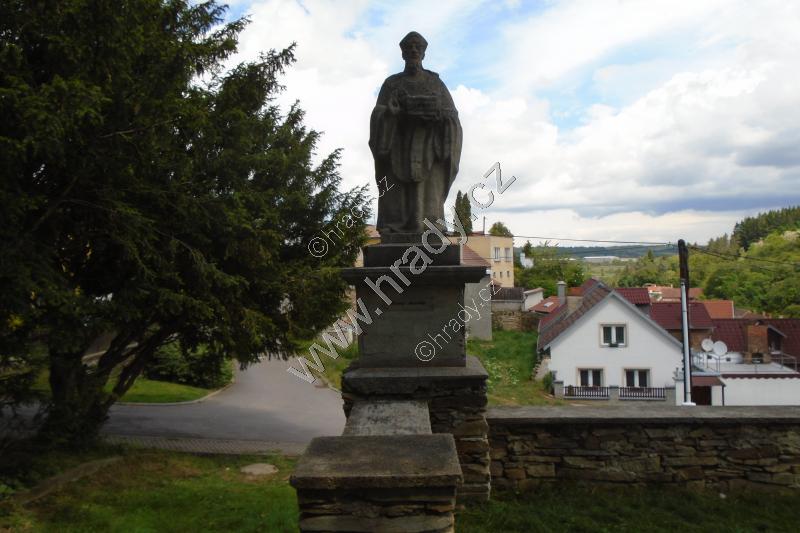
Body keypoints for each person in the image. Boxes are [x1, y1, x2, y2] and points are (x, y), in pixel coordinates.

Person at [369, 31, 463, 236]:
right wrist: (390, 114)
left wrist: (438, 115)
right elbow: (378, 115)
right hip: (398, 147)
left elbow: (452, 117)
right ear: (402, 54)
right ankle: (396, 224)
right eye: (409, 48)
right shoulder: (391, 84)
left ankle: (430, 225)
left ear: (423, 54)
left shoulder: (435, 83)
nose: (413, 51)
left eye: (417, 48)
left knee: (428, 193)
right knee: (396, 193)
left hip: (429, 146)